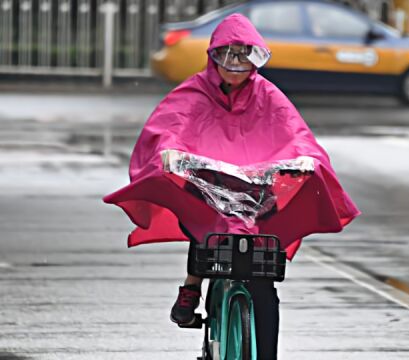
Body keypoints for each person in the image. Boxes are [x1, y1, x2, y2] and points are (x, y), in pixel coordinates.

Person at [103, 14, 360, 360]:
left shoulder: (267, 93)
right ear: (213, 57)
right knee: (202, 222)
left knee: (262, 284)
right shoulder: (193, 92)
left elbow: (296, 134)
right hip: (207, 189)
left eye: (245, 56)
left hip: (257, 198)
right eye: (228, 55)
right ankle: (193, 286)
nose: (236, 65)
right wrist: (170, 156)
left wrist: (307, 161)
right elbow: (167, 129)